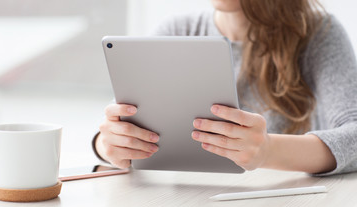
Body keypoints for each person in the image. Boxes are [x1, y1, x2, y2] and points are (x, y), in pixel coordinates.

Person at [93, 0, 357, 176]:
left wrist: (266, 151)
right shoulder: (177, 31)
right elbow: (117, 124)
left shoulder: (317, 33)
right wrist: (108, 145)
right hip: (190, 204)